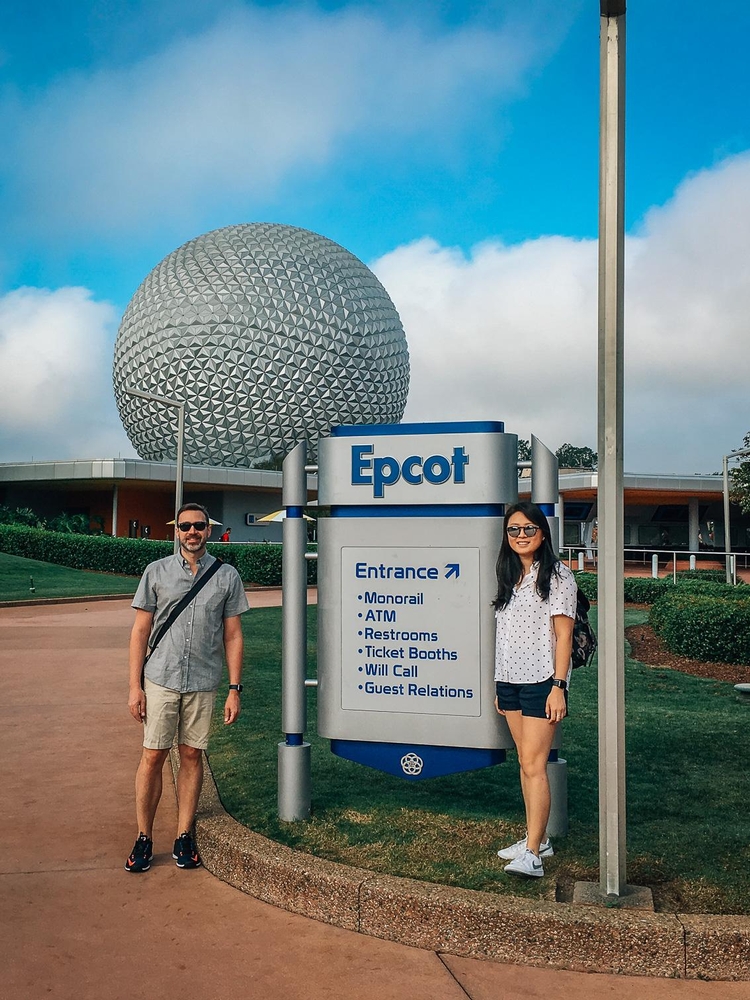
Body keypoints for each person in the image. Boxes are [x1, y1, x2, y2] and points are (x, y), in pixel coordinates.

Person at [125, 502, 249, 873]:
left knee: (192, 755)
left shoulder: (227, 576)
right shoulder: (156, 572)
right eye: (185, 527)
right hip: (161, 678)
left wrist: (234, 688)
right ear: (176, 531)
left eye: (199, 526)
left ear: (208, 530)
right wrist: (135, 686)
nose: (192, 532)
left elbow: (233, 635)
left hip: (202, 681)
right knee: (153, 756)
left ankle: (183, 835)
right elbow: (140, 631)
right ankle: (144, 837)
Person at [493, 501, 577, 878]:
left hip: (542, 681)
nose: (521, 535)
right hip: (509, 680)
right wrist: (501, 684)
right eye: (514, 529)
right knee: (525, 765)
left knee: (533, 765)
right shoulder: (509, 575)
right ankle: (536, 837)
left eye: (529, 528)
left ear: (543, 533)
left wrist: (558, 686)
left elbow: (564, 635)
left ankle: (533, 856)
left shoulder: (558, 576)